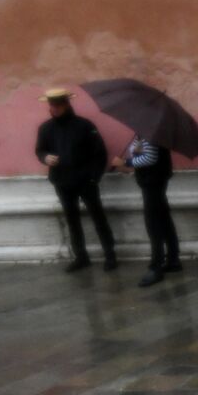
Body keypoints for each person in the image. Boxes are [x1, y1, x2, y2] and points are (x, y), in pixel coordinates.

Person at [34, 87, 116, 272]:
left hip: (86, 181)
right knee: (72, 220)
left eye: (57, 105)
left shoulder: (85, 125)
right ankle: (81, 257)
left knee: (98, 217)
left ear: (66, 104)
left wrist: (94, 177)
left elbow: (100, 153)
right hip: (62, 181)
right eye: (51, 105)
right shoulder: (45, 128)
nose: (53, 108)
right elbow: (40, 150)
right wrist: (45, 157)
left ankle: (110, 255)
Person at [111, 135, 180, 287]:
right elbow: (141, 152)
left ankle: (156, 267)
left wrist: (126, 162)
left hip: (153, 181)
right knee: (163, 219)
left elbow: (150, 158)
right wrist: (133, 156)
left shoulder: (152, 134)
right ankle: (173, 260)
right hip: (151, 180)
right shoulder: (143, 132)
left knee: (153, 224)